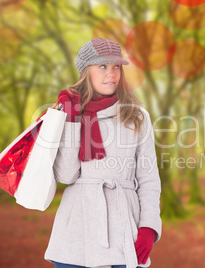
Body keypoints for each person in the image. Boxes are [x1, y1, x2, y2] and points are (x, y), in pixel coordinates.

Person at [44, 38, 162, 268]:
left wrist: (148, 226)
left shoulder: (136, 116)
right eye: (102, 66)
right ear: (86, 71)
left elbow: (149, 179)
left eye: (116, 66)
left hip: (124, 227)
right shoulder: (69, 111)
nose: (112, 74)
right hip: (76, 231)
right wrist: (70, 119)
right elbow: (67, 175)